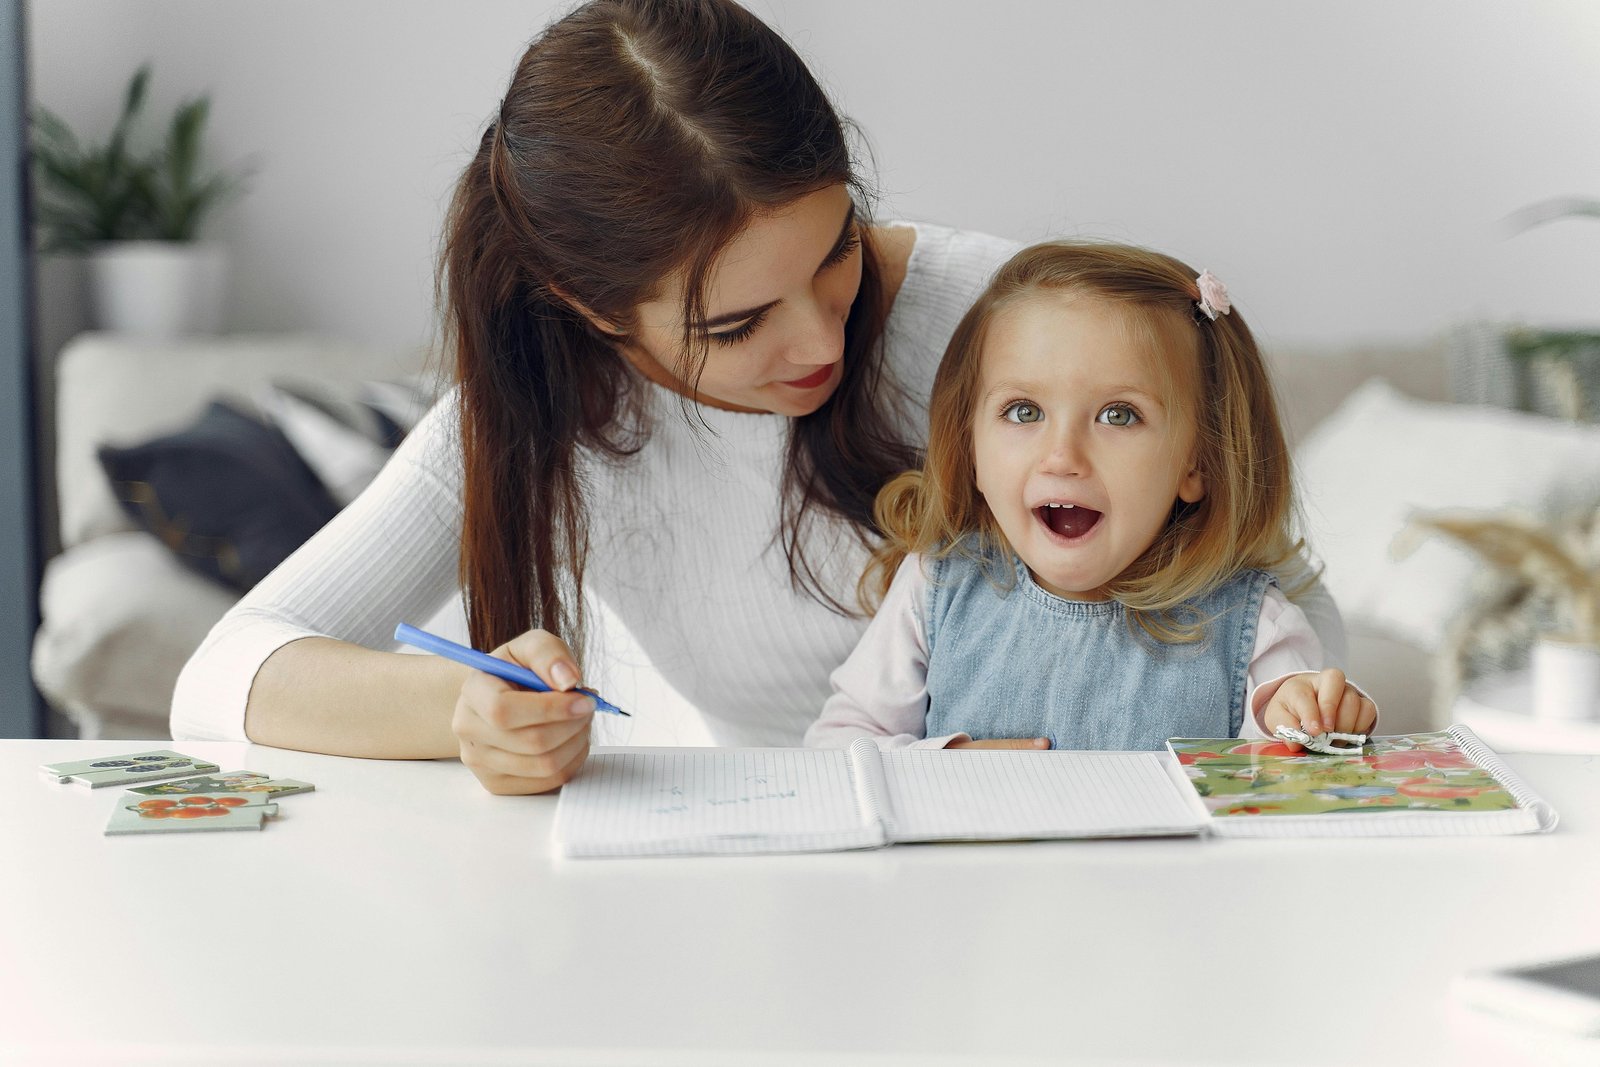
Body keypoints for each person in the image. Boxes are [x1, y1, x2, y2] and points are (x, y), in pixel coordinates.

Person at [173, 0, 1347, 794]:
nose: (820, 335)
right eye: (733, 324)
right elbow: (223, 675)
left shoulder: (1016, 330)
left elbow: (1266, 594)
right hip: (780, 868)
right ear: (590, 310)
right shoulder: (538, 413)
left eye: (837, 249)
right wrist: (463, 710)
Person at [804, 241, 1377, 752]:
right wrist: (939, 767)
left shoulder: (1255, 628)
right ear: (970, 448)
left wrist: (1315, 719)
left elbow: (1295, 769)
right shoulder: (937, 588)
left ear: (1197, 462)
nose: (1063, 456)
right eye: (1023, 412)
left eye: (1118, 415)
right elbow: (838, 746)